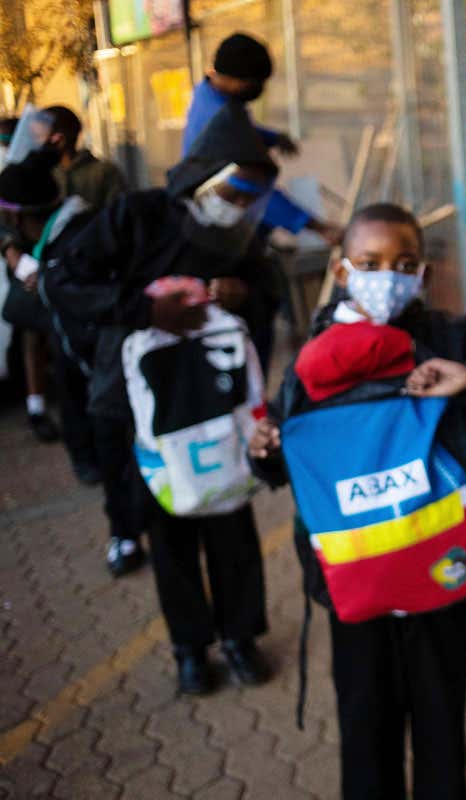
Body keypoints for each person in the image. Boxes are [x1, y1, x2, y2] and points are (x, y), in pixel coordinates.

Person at [247, 202, 466, 800]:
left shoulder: (444, 336)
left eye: (404, 263)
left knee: (441, 717)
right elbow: (285, 463)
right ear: (341, 271)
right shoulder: (315, 359)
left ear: (422, 275)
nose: (388, 275)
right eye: (371, 262)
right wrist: (264, 450)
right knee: (366, 718)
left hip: (439, 568)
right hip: (351, 574)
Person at [45, 103, 280, 692]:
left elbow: (268, 300)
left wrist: (241, 292)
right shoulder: (136, 216)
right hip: (144, 405)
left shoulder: (240, 240)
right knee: (169, 523)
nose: (239, 204)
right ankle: (190, 649)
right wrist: (145, 310)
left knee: (231, 516)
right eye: (234, 187)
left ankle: (239, 636)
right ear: (202, 173)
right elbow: (62, 281)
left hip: (219, 405)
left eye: (252, 194)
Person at [0, 149, 150, 575]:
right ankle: (127, 529)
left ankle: (129, 534)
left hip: (110, 370)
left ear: (15, 217)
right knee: (112, 455)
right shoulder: (60, 233)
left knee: (120, 454)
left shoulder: (77, 241)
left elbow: (101, 306)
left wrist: (47, 284)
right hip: (85, 365)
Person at [183, 31, 340, 245]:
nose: (258, 90)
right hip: (217, 229)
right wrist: (319, 228)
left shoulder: (206, 93)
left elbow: (240, 131)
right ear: (234, 79)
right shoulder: (224, 120)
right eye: (252, 83)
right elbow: (258, 195)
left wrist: (272, 137)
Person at [1, 149, 62, 444]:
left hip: (53, 269)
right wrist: (26, 268)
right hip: (33, 278)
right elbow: (9, 241)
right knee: (32, 339)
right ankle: (36, 409)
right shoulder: (14, 185)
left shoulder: (41, 182)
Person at [32, 106, 126, 209]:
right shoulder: (41, 173)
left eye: (38, 136)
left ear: (59, 139)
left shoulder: (104, 172)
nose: (34, 143)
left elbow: (119, 215)